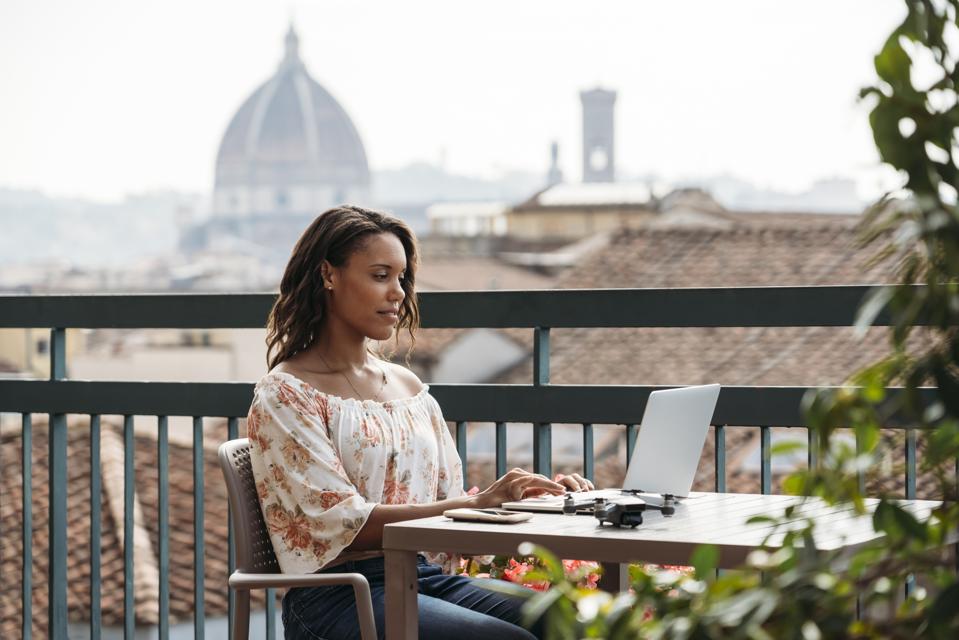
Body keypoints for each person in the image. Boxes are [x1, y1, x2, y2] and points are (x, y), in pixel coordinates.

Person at [247, 205, 594, 640]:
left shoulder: (408, 387)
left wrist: (540, 498)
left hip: (424, 577)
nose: (398, 293)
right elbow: (340, 524)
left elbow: (447, 504)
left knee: (576, 623)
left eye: (401, 277)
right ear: (328, 275)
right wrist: (473, 505)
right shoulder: (286, 393)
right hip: (339, 594)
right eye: (379, 276)